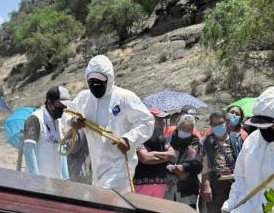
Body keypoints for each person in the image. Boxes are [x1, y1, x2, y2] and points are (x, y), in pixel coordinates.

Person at [69, 55, 154, 191]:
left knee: (106, 201)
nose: (95, 84)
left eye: (99, 80)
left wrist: (128, 139)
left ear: (109, 79)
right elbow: (68, 116)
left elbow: (147, 121)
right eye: (92, 81)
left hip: (119, 167)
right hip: (97, 168)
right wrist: (73, 122)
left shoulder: (125, 98)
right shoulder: (83, 99)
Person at [200, 110, 244, 213]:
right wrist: (206, 186)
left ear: (227, 122)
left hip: (235, 186)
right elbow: (204, 167)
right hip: (216, 187)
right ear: (211, 126)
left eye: (220, 123)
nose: (218, 126)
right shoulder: (207, 143)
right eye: (214, 124)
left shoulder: (238, 139)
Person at [23, 86, 72, 180]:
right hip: (37, 183)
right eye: (60, 105)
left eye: (64, 106)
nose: (63, 108)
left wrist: (66, 178)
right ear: (49, 103)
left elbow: (62, 151)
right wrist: (36, 179)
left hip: (55, 182)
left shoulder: (59, 122)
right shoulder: (35, 119)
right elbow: (29, 150)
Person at [133, 108, 176, 198]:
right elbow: (145, 158)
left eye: (163, 121)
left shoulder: (162, 140)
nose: (163, 124)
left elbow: (172, 155)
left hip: (160, 186)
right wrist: (164, 157)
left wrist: (152, 155)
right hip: (141, 186)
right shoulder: (139, 138)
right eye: (159, 120)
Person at [167, 114, 203, 205]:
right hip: (168, 189)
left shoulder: (195, 142)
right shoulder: (167, 140)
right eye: (183, 127)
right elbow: (161, 159)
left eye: (189, 129)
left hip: (187, 189)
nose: (186, 131)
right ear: (177, 126)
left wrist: (184, 168)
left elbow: (197, 164)